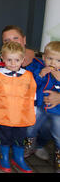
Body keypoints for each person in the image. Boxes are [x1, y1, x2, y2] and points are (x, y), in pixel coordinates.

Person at [0, 41, 37, 173]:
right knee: (5, 137)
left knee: (20, 137)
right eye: (9, 60)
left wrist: (33, 112)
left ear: (23, 60)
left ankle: (18, 158)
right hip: (4, 114)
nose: (13, 63)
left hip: (21, 115)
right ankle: (4, 158)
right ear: (3, 58)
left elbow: (32, 96)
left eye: (17, 60)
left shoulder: (28, 76)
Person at [25, 41, 60, 173]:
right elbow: (31, 85)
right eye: (50, 58)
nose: (53, 63)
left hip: (57, 111)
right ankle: (30, 144)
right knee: (31, 126)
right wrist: (40, 75)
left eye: (58, 60)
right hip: (40, 106)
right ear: (44, 58)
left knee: (58, 134)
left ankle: (58, 157)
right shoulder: (41, 71)